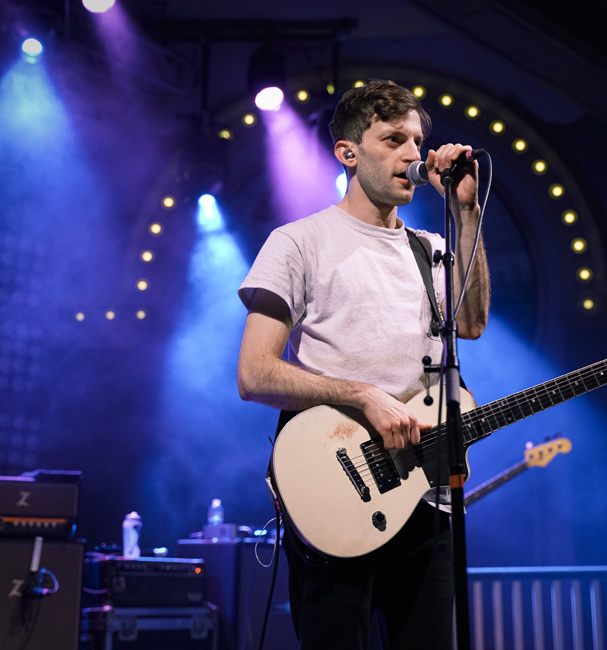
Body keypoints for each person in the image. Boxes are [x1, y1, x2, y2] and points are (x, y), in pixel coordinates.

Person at [237, 79, 490, 650]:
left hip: (425, 493)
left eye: (418, 140)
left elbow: (471, 323)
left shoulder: (431, 249)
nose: (414, 155)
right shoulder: (298, 243)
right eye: (394, 139)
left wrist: (466, 212)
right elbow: (254, 373)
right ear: (348, 152)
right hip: (334, 485)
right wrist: (363, 395)